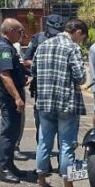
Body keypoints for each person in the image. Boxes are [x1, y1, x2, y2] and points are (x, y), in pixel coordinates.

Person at [32, 18, 89, 187]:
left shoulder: (43, 45)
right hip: (66, 103)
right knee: (66, 145)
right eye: (82, 38)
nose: (81, 41)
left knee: (44, 141)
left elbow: (33, 70)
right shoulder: (72, 48)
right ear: (78, 32)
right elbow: (80, 78)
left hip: (45, 102)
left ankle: (41, 184)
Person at [0, 18, 29, 184]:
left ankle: (10, 166)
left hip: (11, 94)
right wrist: (17, 97)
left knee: (13, 133)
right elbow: (5, 75)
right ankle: (4, 169)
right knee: (8, 132)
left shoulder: (7, 47)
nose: (21, 35)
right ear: (11, 31)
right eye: (20, 32)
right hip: (9, 97)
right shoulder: (4, 49)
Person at [23, 14, 65, 166]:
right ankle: (44, 166)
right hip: (43, 90)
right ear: (47, 27)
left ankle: (63, 164)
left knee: (64, 134)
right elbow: (26, 60)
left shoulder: (66, 41)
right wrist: (43, 63)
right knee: (43, 132)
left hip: (62, 90)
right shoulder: (38, 39)